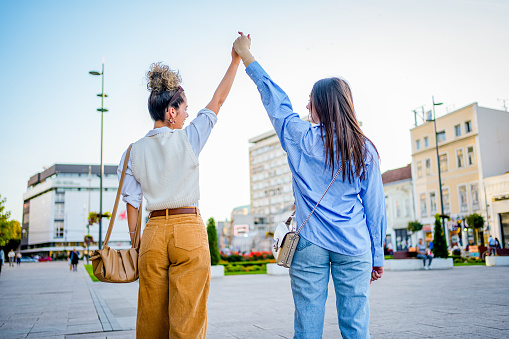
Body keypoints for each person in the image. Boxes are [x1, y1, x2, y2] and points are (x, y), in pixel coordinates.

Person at [234, 32, 386, 338]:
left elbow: (275, 100)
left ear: (321, 105)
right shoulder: (365, 149)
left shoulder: (299, 137)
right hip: (354, 246)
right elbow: (375, 206)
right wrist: (377, 254)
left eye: (311, 99)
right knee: (356, 327)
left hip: (310, 244)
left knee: (307, 327)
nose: (306, 104)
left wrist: (246, 56)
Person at [118, 41, 241, 339]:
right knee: (188, 320)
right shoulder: (189, 139)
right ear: (171, 111)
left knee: (150, 322)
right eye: (185, 108)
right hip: (188, 228)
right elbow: (219, 100)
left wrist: (137, 246)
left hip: (153, 233)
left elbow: (132, 205)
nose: (188, 114)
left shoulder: (132, 152)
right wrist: (235, 60)